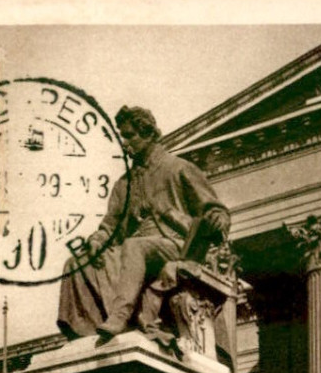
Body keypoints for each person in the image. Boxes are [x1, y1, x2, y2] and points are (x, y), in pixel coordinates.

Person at [57, 105, 230, 344]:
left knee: (134, 245)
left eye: (130, 136)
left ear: (148, 134)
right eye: (122, 137)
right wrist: (97, 240)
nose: (125, 144)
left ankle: (121, 314)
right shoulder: (123, 185)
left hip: (176, 245)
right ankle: (84, 337)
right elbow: (110, 227)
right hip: (135, 253)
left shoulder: (178, 168)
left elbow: (216, 210)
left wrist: (217, 219)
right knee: (77, 263)